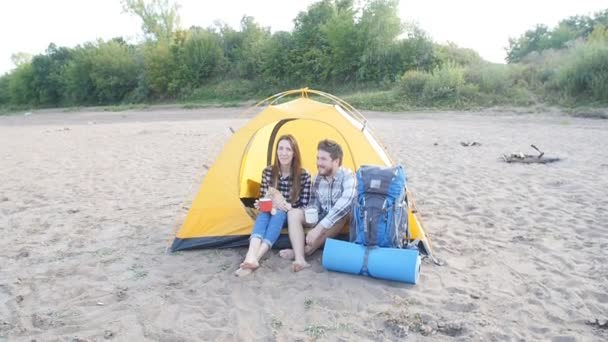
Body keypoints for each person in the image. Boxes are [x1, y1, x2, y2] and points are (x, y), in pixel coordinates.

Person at [235, 134, 312, 277]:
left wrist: (285, 205)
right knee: (265, 212)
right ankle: (251, 256)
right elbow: (265, 199)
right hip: (269, 212)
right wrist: (263, 204)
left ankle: (254, 258)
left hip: (289, 215)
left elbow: (304, 205)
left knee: (279, 212)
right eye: (280, 148)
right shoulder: (268, 172)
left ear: (294, 153)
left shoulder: (304, 175)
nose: (283, 153)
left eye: (288, 149)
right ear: (276, 151)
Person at [280, 139, 356, 272]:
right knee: (294, 213)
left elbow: (345, 204)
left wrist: (319, 228)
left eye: (323, 159)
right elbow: (313, 205)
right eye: (317, 158)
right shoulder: (317, 179)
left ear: (336, 161)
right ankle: (300, 258)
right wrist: (308, 217)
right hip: (321, 218)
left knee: (342, 214)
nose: (318, 163)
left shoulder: (348, 177)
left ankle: (307, 250)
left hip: (338, 220)